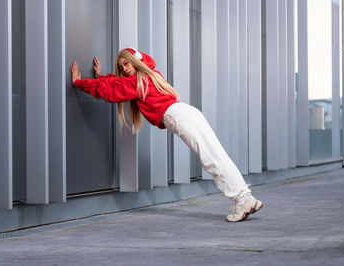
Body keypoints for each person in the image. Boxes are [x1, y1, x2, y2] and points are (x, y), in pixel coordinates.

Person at [71, 48, 263, 222]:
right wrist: (100, 78)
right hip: (186, 113)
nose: (125, 69)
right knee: (215, 155)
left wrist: (80, 83)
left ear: (136, 61)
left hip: (178, 116)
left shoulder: (140, 80)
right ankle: (245, 197)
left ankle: (242, 198)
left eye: (127, 63)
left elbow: (113, 92)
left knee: (211, 158)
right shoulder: (149, 75)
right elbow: (118, 84)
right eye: (121, 67)